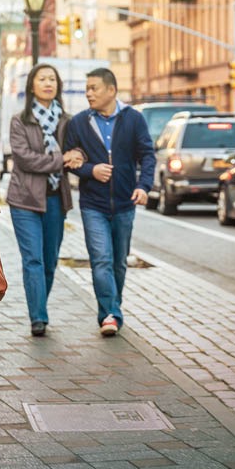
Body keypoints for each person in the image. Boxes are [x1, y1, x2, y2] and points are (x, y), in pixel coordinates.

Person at [64, 68, 156, 337]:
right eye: (87, 88)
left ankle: (113, 307)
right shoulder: (79, 123)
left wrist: (144, 186)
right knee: (101, 260)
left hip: (126, 203)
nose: (88, 93)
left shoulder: (134, 119)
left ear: (112, 90)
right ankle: (109, 314)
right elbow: (70, 161)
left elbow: (147, 155)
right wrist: (90, 170)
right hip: (93, 204)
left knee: (119, 263)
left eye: (94, 88)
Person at [5, 63, 84, 337]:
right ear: (32, 86)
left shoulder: (68, 121)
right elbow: (25, 158)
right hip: (24, 199)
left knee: (50, 261)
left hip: (55, 199)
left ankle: (40, 305)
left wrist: (76, 158)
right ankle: (38, 317)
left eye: (53, 79)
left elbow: (77, 152)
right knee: (33, 260)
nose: (48, 83)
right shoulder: (20, 120)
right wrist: (61, 159)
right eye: (42, 79)